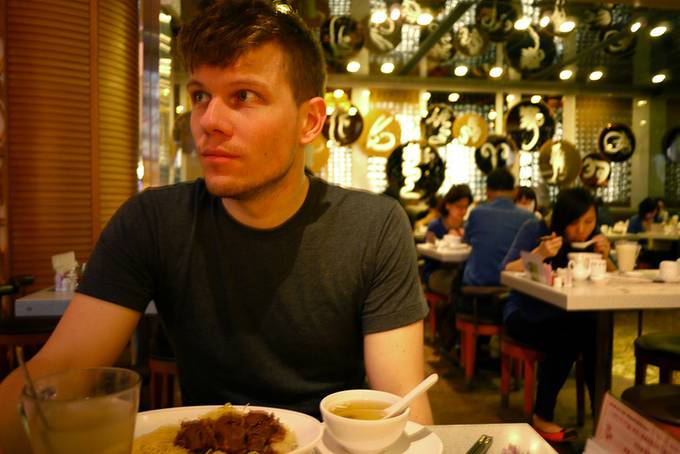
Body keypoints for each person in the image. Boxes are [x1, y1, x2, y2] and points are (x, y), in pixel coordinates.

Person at [0, 2, 432, 451]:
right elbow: (61, 368)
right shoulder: (153, 221)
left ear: (310, 121)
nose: (208, 122)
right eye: (201, 96)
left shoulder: (373, 227)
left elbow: (402, 402)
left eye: (244, 96)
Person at [502, 187, 616, 442]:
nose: (582, 229)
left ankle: (602, 417)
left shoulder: (594, 239)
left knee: (592, 331)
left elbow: (612, 275)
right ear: (561, 219)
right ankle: (545, 415)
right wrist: (540, 254)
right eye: (574, 223)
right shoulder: (535, 230)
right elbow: (507, 268)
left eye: (589, 221)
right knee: (575, 332)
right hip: (524, 313)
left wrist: (605, 257)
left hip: (570, 316)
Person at [462, 168, 535, 289]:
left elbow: (466, 241)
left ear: (487, 191)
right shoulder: (529, 218)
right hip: (513, 285)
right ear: (515, 191)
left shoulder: (477, 213)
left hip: (478, 283)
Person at [422, 184, 472, 295]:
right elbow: (426, 252)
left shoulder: (467, 227)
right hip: (436, 272)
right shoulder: (435, 226)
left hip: (459, 272)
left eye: (466, 207)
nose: (463, 211)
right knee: (456, 287)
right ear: (448, 205)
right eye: (459, 207)